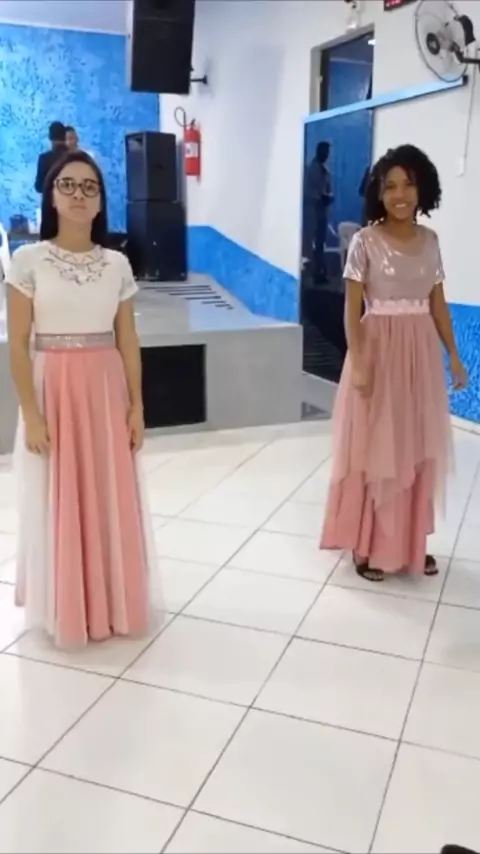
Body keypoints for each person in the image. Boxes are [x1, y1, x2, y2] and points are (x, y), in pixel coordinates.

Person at [7, 150, 160, 647]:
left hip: (105, 387)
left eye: (89, 187)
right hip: (53, 386)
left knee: (108, 491)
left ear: (100, 201)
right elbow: (18, 343)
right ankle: (67, 606)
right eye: (68, 185)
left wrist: (136, 406)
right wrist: (31, 414)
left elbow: (128, 339)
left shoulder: (117, 263)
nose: (79, 194)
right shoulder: (28, 260)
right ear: (51, 196)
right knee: (58, 492)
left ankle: (112, 601)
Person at [320, 144, 467, 582]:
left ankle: (410, 543)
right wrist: (358, 361)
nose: (400, 195)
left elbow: (437, 304)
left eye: (408, 184)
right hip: (378, 352)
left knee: (415, 448)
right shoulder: (365, 241)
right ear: (378, 194)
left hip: (420, 356)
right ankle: (367, 545)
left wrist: (454, 356)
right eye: (390, 187)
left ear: (423, 189)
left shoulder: (431, 241)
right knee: (376, 449)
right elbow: (351, 310)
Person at [303, 141, 334, 282]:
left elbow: (326, 189)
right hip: (312, 212)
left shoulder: (324, 171)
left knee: (320, 243)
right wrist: (320, 198)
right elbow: (308, 192)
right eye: (325, 152)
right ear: (319, 152)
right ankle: (312, 273)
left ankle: (319, 272)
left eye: (327, 153)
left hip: (321, 212)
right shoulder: (311, 170)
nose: (326, 155)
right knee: (312, 244)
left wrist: (328, 197)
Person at [34, 121, 67, 194]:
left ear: (50, 137)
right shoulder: (75, 156)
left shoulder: (44, 159)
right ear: (65, 137)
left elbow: (39, 187)